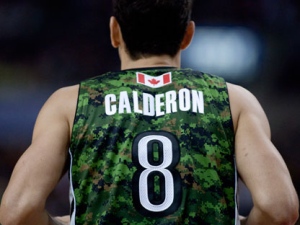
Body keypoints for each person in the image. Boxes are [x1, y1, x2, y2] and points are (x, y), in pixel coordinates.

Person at [0, 0, 299, 224]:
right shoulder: (233, 100)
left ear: (114, 31)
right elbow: (279, 208)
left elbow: (18, 212)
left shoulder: (70, 102)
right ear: (187, 35)